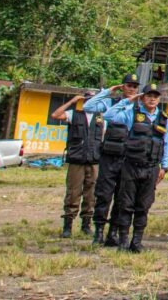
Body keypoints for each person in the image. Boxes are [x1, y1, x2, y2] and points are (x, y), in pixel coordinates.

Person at [102, 82, 168, 252]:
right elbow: (108, 116)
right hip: (131, 165)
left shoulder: (164, 118)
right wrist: (128, 100)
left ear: (159, 99)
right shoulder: (131, 113)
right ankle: (123, 241)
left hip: (151, 167)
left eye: (155, 96)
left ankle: (137, 242)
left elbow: (167, 143)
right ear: (142, 98)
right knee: (126, 204)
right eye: (149, 96)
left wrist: (164, 166)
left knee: (143, 206)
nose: (152, 99)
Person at [83, 73, 140, 246]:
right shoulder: (111, 102)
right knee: (104, 194)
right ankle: (99, 231)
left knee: (122, 197)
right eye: (129, 85)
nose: (132, 89)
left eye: (135, 86)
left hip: (129, 157)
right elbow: (88, 106)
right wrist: (108, 91)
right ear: (122, 86)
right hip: (110, 155)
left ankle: (113, 232)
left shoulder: (140, 107)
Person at [52, 91, 102, 238]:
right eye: (87, 99)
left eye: (93, 99)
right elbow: (55, 115)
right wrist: (72, 101)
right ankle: (67, 225)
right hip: (76, 160)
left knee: (91, 194)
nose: (90, 102)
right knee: (73, 193)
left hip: (94, 160)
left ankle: (86, 224)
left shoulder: (101, 117)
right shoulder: (74, 114)